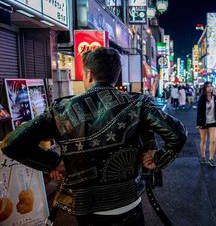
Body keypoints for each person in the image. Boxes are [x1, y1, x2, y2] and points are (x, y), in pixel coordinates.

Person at [0, 47, 187, 226]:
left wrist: (54, 161)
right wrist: (157, 159)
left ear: (88, 74)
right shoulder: (137, 103)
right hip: (128, 202)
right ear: (117, 74)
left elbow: (11, 143)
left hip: (87, 207)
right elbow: (177, 134)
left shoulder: (61, 109)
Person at [196, 81, 216, 167]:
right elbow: (199, 112)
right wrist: (198, 123)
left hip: (213, 122)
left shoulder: (215, 98)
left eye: (211, 86)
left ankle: (211, 159)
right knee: (203, 140)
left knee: (213, 141)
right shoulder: (202, 99)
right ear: (205, 88)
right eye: (208, 86)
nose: (210, 88)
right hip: (203, 122)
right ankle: (203, 156)